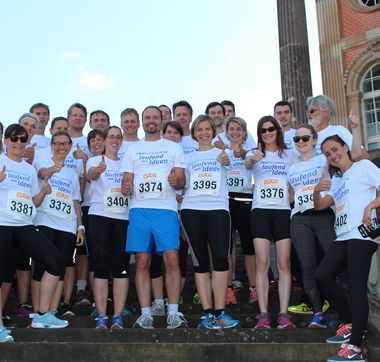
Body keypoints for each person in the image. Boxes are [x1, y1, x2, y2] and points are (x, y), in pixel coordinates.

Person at [313, 135, 380, 362]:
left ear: (345, 147)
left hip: (361, 235)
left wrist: (370, 206)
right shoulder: (339, 180)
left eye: (335, 149)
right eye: (327, 154)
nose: (332, 155)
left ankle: (355, 348)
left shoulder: (363, 167)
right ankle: (350, 322)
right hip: (343, 237)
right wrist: (316, 191)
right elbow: (321, 205)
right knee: (322, 275)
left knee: (356, 287)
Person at [121, 106, 187, 329]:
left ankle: (174, 313)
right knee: (142, 262)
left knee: (171, 259)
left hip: (165, 209)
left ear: (161, 120)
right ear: (142, 122)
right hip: (139, 210)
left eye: (155, 117)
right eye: (147, 117)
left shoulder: (173, 147)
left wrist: (175, 182)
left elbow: (181, 181)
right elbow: (126, 181)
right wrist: (125, 187)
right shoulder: (133, 150)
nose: (151, 121)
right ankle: (146, 313)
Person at [0, 124, 67, 329]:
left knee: (55, 261)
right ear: (5, 141)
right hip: (2, 223)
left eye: (23, 139)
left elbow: (34, 203)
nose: (18, 142)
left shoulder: (29, 169)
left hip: (24, 225)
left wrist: (43, 193)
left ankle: (41, 314)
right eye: (14, 138)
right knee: (2, 275)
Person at [181, 115, 239, 329]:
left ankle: (220, 311)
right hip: (191, 209)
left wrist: (227, 159)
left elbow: (238, 158)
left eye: (207, 129)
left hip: (218, 209)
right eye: (200, 129)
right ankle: (207, 313)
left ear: (213, 132)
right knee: (200, 262)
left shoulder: (223, 153)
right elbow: (181, 184)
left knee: (221, 259)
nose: (204, 133)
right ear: (194, 133)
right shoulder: (187, 157)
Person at [245, 116, 297, 329]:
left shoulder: (290, 155)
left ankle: (284, 314)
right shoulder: (255, 154)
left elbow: (295, 183)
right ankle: (264, 314)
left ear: (277, 130)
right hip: (260, 213)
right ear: (259, 134)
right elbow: (248, 164)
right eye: (263, 130)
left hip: (283, 212)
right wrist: (254, 158)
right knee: (263, 263)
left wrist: (289, 198)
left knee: (284, 264)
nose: (267, 133)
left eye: (271, 129)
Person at [287, 124, 335, 327]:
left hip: (323, 214)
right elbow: (290, 195)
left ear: (314, 140)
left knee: (334, 263)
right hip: (299, 218)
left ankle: (340, 310)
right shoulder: (293, 167)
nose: (300, 142)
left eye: (305, 138)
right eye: (297, 139)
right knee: (308, 267)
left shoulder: (323, 159)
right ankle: (318, 313)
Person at [32, 131, 84, 314]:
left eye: (65, 144)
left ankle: (51, 312)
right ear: (52, 145)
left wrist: (80, 227)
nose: (62, 147)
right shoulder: (42, 162)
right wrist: (54, 169)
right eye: (58, 143)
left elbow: (75, 201)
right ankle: (38, 312)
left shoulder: (72, 174)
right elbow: (41, 173)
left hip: (66, 225)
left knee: (60, 267)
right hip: (45, 221)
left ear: (70, 146)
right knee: (41, 266)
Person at [87, 126, 130, 329]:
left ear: (121, 140)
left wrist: (127, 188)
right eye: (110, 136)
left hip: (122, 217)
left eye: (117, 137)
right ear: (104, 140)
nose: (114, 140)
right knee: (101, 265)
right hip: (99, 215)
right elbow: (91, 176)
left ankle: (118, 316)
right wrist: (98, 170)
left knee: (121, 266)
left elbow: (131, 188)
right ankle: (102, 315)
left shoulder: (126, 162)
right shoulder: (95, 160)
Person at [150, 121, 189, 315]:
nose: (173, 135)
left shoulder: (185, 156)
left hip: (183, 212)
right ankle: (158, 301)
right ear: (163, 134)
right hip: (159, 210)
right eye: (169, 132)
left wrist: (182, 190)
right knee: (155, 259)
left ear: (181, 137)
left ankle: (175, 298)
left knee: (178, 257)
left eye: (176, 133)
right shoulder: (155, 155)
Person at [224, 116, 257, 305]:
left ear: (244, 133)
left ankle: (253, 287)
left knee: (248, 248)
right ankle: (228, 289)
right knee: (227, 249)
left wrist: (242, 153)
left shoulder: (251, 152)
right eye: (231, 129)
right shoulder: (221, 153)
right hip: (225, 202)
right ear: (227, 133)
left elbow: (249, 164)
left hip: (245, 201)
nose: (235, 132)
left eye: (239, 129)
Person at [305, 95, 366, 159]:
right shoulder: (303, 137)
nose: (308, 114)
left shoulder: (338, 131)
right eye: (307, 111)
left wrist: (355, 128)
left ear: (326, 112)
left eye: (311, 111)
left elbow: (362, 155)